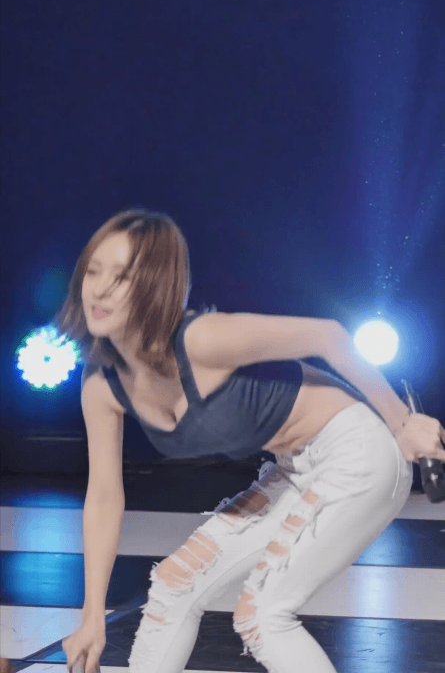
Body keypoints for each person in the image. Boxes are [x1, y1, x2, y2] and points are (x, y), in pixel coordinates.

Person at [58, 209, 445, 673]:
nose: (99, 289)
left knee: (263, 616)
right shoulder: (102, 384)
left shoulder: (202, 340)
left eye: (121, 277)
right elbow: (104, 495)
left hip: (359, 451)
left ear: (154, 286)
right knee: (175, 586)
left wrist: (402, 423)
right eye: (93, 271)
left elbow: (329, 336)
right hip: (296, 468)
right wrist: (91, 617)